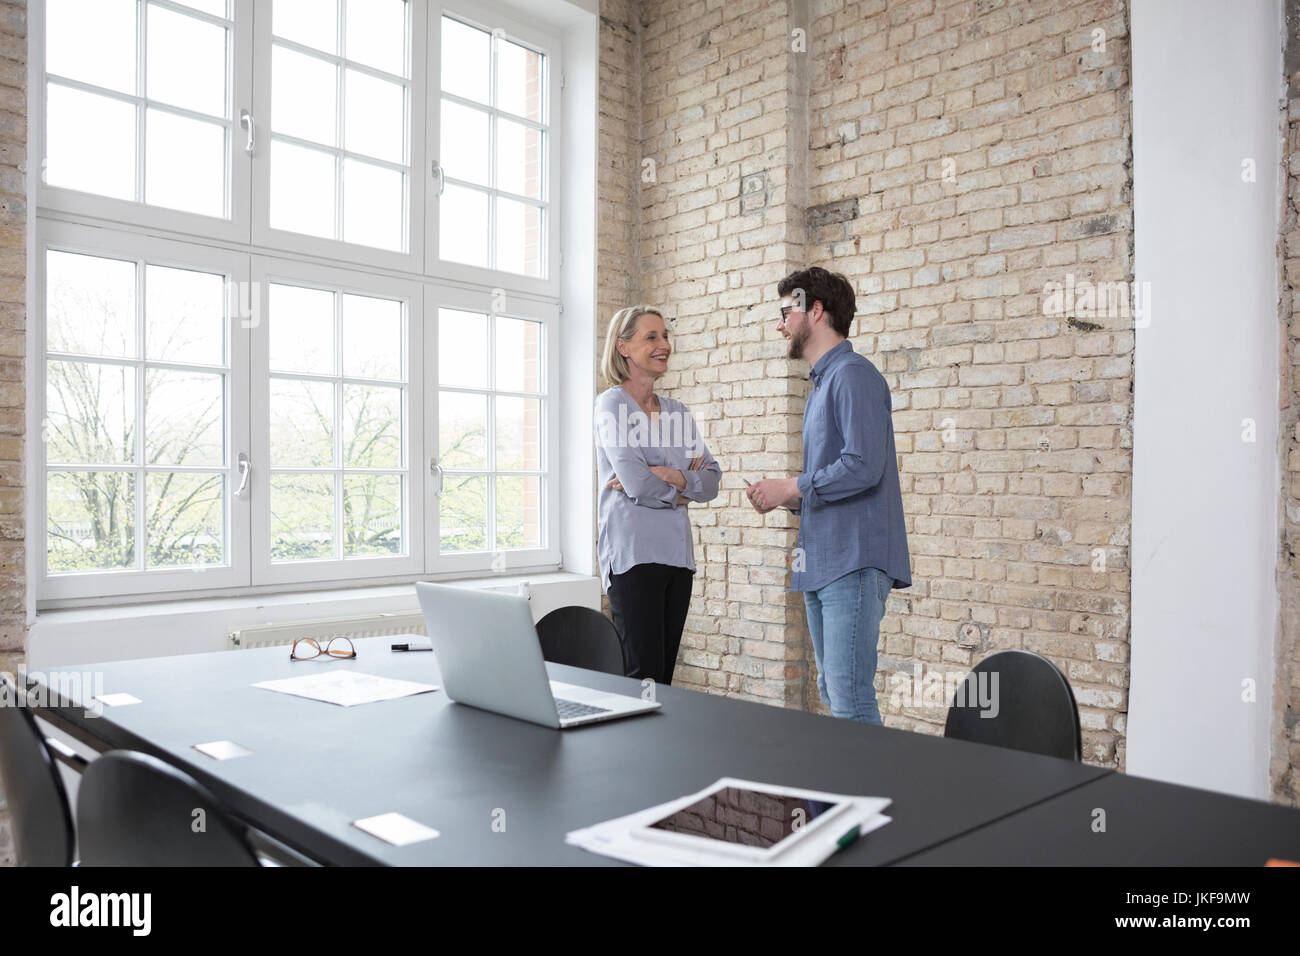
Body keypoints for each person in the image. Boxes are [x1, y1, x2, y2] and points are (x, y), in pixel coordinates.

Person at [745, 268, 911, 725]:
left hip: (852, 560)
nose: (780, 324)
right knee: (833, 691)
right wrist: (783, 496)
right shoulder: (822, 384)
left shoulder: (853, 375)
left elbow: (863, 465)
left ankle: (867, 798)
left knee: (850, 698)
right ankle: (850, 795)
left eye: (786, 312)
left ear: (815, 310)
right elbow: (834, 478)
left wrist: (792, 486)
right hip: (823, 560)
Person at [595, 306, 722, 685]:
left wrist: (670, 476)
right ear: (624, 347)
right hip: (634, 557)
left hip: (677, 558)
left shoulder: (677, 412)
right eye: (651, 337)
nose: (664, 344)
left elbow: (713, 479)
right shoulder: (612, 405)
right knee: (642, 677)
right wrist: (685, 488)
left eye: (665, 336)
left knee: (664, 679)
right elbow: (635, 483)